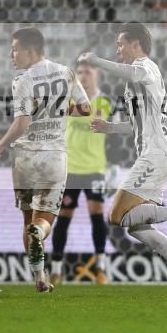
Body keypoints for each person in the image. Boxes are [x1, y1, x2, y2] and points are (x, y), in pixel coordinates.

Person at [79, 22, 167, 296]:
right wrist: (111, 128)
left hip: (156, 155)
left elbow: (130, 71)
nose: (118, 51)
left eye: (120, 45)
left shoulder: (146, 68)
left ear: (136, 45)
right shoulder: (137, 80)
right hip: (157, 155)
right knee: (137, 228)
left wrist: (96, 61)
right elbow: (139, 123)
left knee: (116, 216)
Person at [0, 27, 91, 292]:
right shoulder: (66, 72)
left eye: (14, 49)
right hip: (54, 157)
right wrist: (58, 108)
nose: (11, 54)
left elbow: (22, 123)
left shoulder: (22, 80)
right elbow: (86, 108)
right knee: (41, 221)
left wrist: (1, 142)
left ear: (30, 51)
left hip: (24, 160)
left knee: (27, 219)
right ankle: (40, 235)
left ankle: (39, 278)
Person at [50, 59, 113, 286]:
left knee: (97, 216)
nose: (83, 75)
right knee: (64, 219)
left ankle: (101, 269)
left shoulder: (104, 102)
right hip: (70, 170)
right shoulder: (67, 101)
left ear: (97, 74)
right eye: (79, 72)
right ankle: (56, 270)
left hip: (94, 169)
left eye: (87, 71)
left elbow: (99, 125)